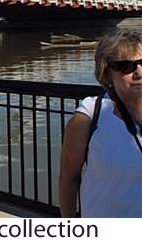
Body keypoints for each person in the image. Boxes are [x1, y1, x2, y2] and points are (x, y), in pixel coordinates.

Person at [59, 28, 142, 217]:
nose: (138, 73)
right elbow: (69, 178)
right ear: (107, 74)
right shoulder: (89, 117)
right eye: (126, 67)